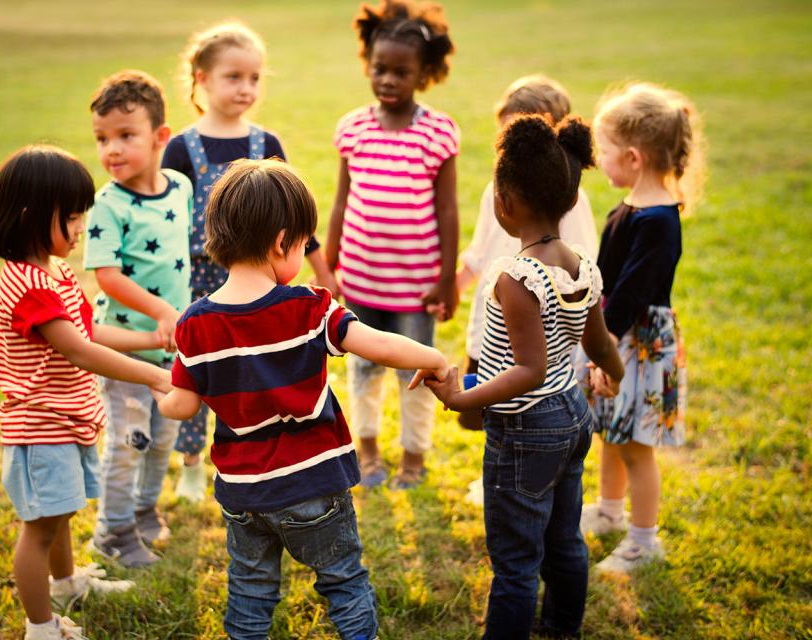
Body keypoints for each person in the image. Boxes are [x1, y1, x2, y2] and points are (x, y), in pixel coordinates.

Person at [157, 159, 448, 640]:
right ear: (280, 242)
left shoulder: (193, 324)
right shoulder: (309, 307)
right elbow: (374, 342)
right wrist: (432, 356)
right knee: (344, 581)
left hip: (245, 491)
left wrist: (162, 392)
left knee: (250, 590)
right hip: (314, 483)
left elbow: (182, 406)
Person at [422, 116, 624, 639]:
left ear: (505, 202)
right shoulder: (581, 264)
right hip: (572, 416)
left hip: (526, 429)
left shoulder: (517, 278)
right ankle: (562, 628)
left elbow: (527, 372)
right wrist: (615, 373)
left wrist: (461, 396)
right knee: (564, 540)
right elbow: (599, 344)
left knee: (515, 559)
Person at [0, 145, 174, 640]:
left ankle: (67, 583)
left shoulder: (55, 273)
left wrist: (154, 339)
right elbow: (81, 353)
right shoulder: (30, 286)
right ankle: (41, 627)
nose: (79, 230)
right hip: (41, 427)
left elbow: (93, 334)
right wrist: (153, 375)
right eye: (70, 218)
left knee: (61, 512)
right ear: (30, 215)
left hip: (67, 420)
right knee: (41, 526)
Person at [161, 22, 337, 502]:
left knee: (255, 373)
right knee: (200, 370)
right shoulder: (181, 148)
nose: (246, 88)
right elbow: (166, 222)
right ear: (201, 78)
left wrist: (321, 270)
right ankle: (193, 465)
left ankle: (261, 456)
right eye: (233, 77)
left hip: (263, 281)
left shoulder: (267, 143)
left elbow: (292, 215)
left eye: (255, 78)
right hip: (201, 279)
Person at [325, 0, 459, 489]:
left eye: (401, 71)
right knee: (362, 374)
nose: (388, 79)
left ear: (424, 74)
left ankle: (414, 459)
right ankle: (368, 453)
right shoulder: (353, 128)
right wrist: (331, 269)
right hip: (360, 281)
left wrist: (446, 277)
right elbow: (341, 203)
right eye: (380, 68)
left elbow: (447, 210)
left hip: (415, 287)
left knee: (417, 373)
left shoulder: (437, 133)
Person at [452, 75, 599, 506]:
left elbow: (584, 266)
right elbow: (479, 252)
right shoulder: (493, 190)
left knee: (533, 411)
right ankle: (499, 474)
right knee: (485, 412)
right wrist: (453, 288)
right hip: (493, 326)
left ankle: (538, 481)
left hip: (543, 333)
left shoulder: (571, 200)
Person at [579, 82, 704, 573]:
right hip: (617, 336)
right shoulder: (629, 207)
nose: (599, 160)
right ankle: (610, 512)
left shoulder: (658, 221)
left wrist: (602, 345)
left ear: (632, 156)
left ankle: (644, 539)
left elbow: (630, 292)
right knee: (612, 431)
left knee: (636, 446)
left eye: (604, 151)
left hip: (637, 342)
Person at [84, 70, 193, 567]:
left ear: (160, 138)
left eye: (126, 136)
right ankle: (113, 530)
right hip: (126, 351)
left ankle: (145, 512)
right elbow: (106, 276)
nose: (112, 150)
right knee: (130, 442)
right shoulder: (107, 203)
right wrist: (161, 312)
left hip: (173, 352)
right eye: (102, 139)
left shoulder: (181, 189)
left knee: (162, 439)